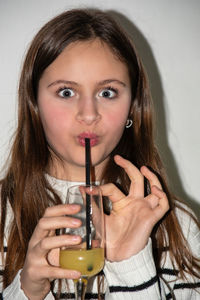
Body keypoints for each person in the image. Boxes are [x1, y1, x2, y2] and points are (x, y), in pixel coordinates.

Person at [0, 8, 200, 300]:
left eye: (107, 93)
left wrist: (132, 266)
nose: (89, 115)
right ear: (34, 104)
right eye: (66, 92)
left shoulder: (177, 227)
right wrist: (27, 291)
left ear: (132, 106)